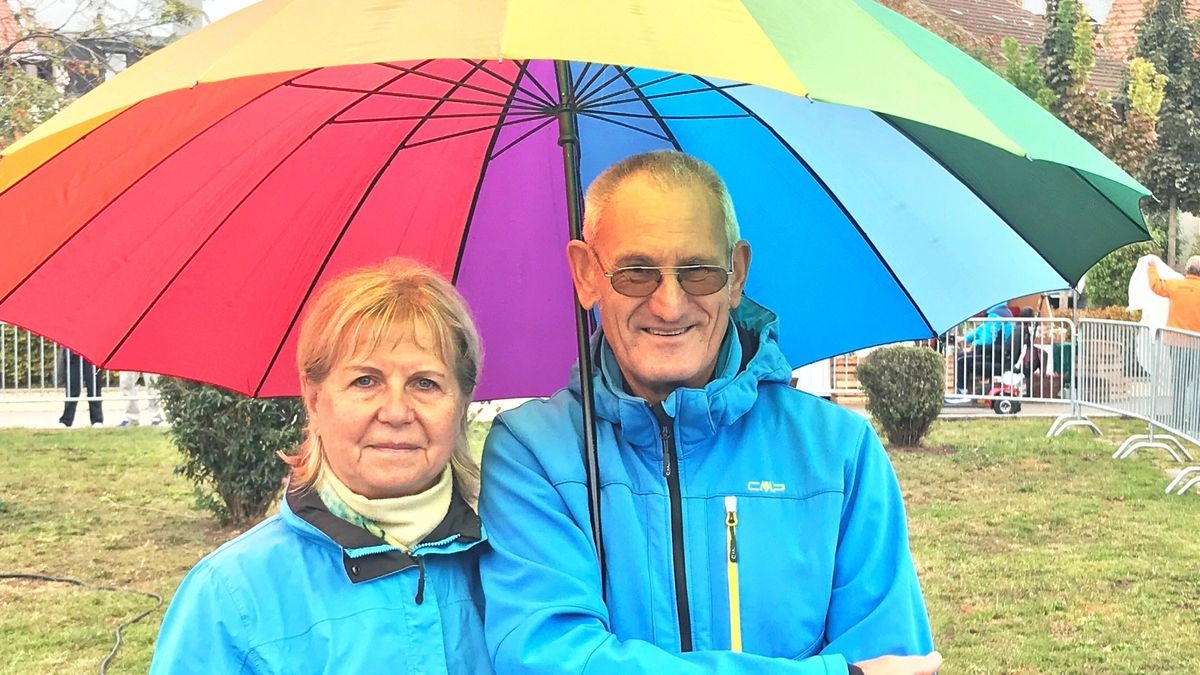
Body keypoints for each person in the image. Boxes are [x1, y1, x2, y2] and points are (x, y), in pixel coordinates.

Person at [479, 151, 938, 674]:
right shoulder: (532, 452)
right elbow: (546, 659)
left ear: (737, 272)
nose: (670, 305)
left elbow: (892, 659)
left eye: (697, 273)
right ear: (587, 275)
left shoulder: (838, 452)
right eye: (635, 273)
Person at [150, 259, 492, 674]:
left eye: (425, 383)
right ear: (313, 398)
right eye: (365, 381)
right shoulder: (231, 595)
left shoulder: (515, 566)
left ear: (461, 403)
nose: (397, 411)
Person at [1146, 254, 1200, 431]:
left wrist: (1152, 267)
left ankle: (1177, 421)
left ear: (1187, 270)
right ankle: (1196, 424)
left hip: (1176, 343)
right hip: (1197, 344)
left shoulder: (1176, 286)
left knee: (1179, 383)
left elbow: (1156, 285)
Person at [58, 347, 103, 427]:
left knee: (94, 388)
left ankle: (97, 419)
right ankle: (66, 420)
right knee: (72, 388)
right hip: (73, 352)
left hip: (93, 352)